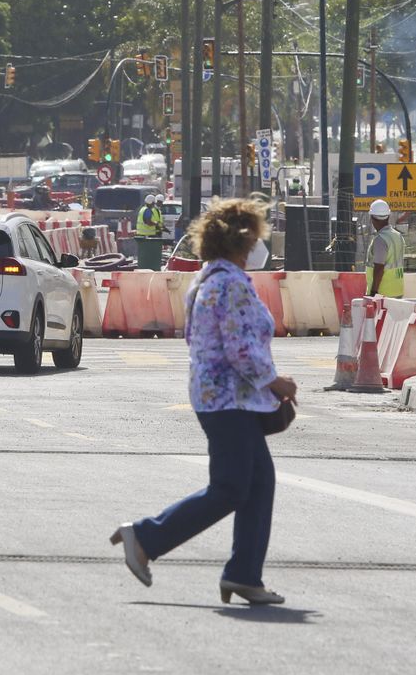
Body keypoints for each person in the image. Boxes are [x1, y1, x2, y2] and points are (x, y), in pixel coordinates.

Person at [110, 198, 298, 605]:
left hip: (228, 397)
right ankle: (145, 536)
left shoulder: (209, 278)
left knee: (259, 484)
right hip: (228, 399)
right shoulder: (229, 283)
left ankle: (244, 574)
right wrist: (276, 382)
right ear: (241, 241)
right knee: (231, 487)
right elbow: (240, 349)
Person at [364, 198, 406, 297]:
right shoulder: (398, 236)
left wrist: (373, 292)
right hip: (398, 291)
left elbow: (379, 268)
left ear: (373, 218)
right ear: (388, 216)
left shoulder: (380, 240)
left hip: (382, 294)